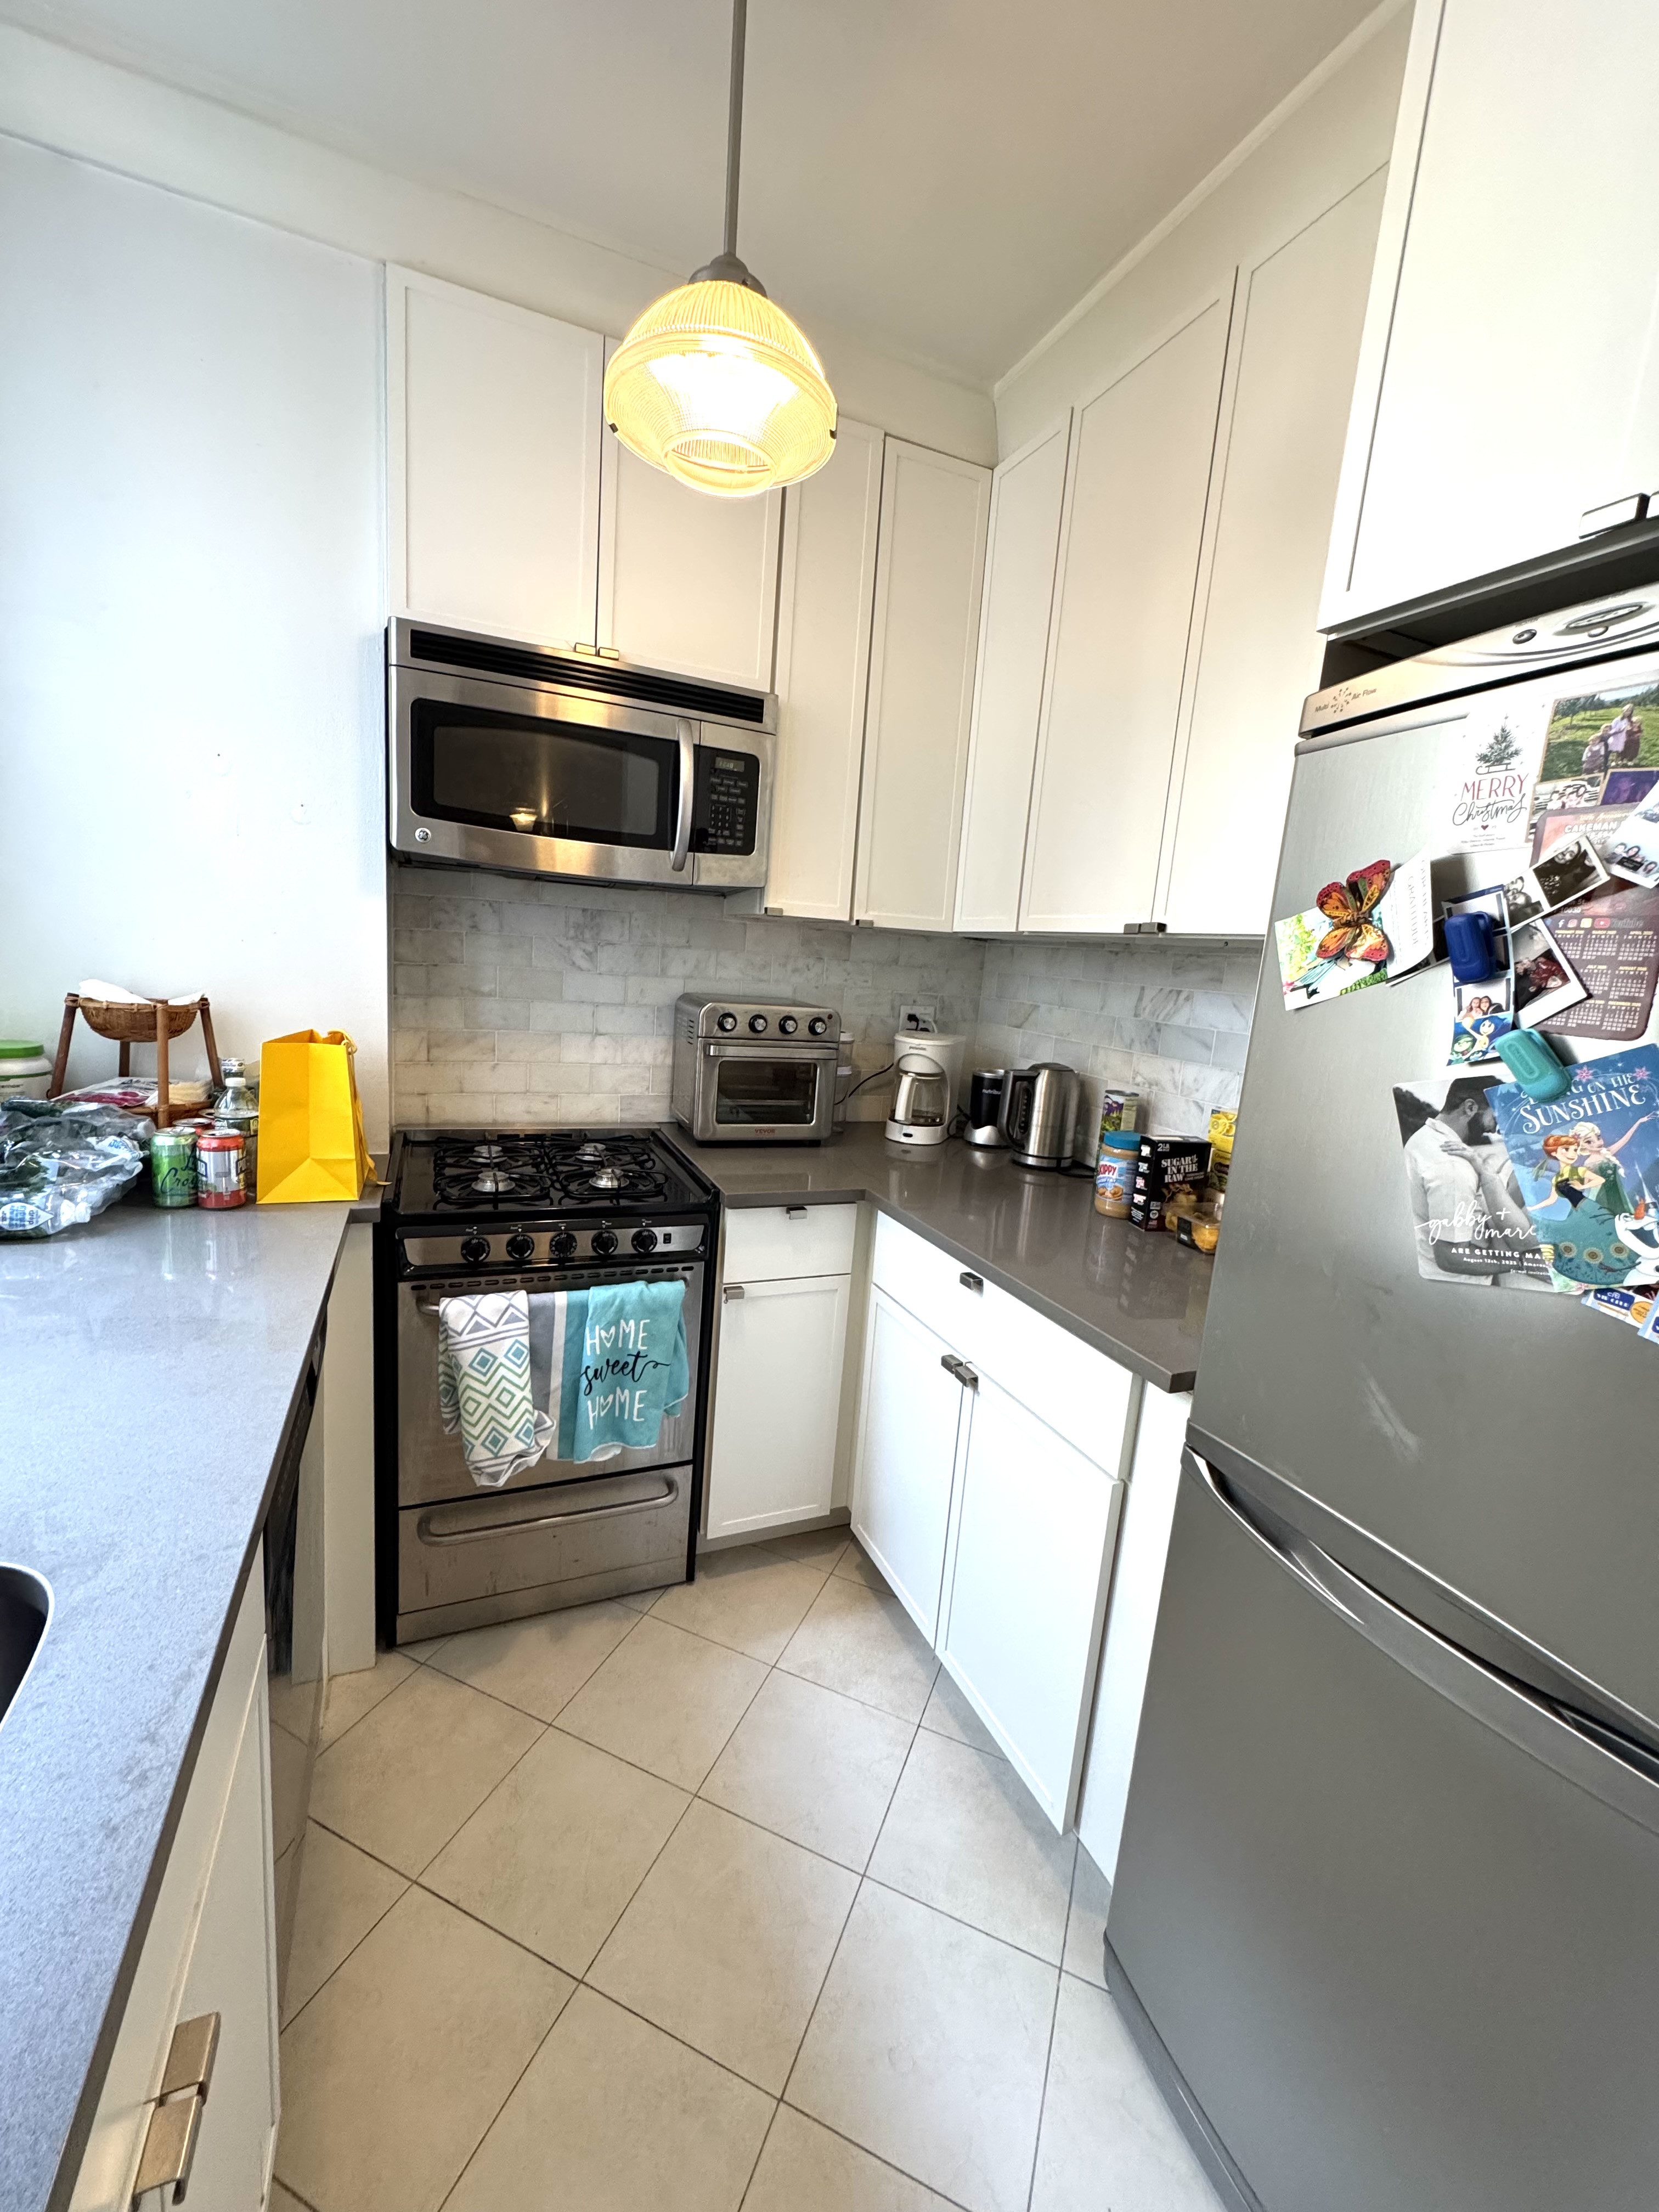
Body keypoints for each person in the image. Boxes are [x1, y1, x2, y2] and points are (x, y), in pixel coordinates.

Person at [1402, 1077, 1536, 1280]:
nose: (1495, 1131)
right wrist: (1523, 1262)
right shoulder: (1453, 1167)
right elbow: (1451, 1258)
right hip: (1460, 1286)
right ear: (1470, 1108)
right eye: (1496, 1118)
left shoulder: (1423, 1138)